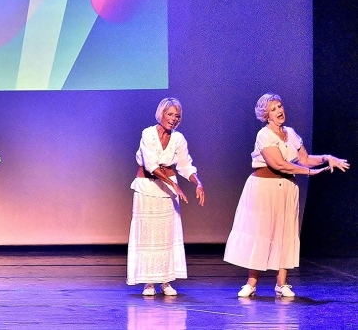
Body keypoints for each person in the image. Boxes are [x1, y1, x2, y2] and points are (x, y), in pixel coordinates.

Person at [224, 93, 349, 298]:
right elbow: (279, 164)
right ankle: (251, 283)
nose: (279, 111)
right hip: (264, 187)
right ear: (266, 115)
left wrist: (327, 158)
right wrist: (309, 173)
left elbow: (305, 159)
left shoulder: (290, 133)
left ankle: (281, 284)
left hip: (288, 188)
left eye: (280, 106)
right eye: (273, 109)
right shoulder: (264, 135)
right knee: (260, 232)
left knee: (286, 232)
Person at [126, 98, 205, 296]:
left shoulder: (179, 139)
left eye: (177, 116)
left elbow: (185, 166)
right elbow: (150, 165)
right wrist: (174, 185)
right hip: (147, 188)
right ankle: (149, 282)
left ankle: (166, 280)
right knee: (148, 234)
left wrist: (198, 183)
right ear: (161, 114)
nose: (173, 119)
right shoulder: (148, 134)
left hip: (168, 191)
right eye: (170, 114)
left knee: (167, 234)